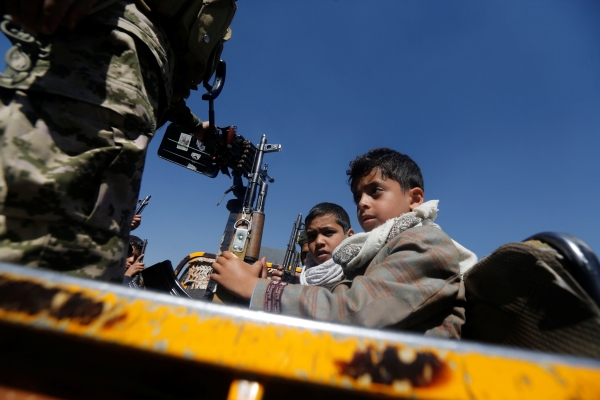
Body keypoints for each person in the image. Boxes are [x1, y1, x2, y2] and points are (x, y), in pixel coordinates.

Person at [0, 0, 236, 281]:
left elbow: (171, 74)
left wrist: (195, 126)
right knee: (40, 260)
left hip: (132, 85)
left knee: (84, 271)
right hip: (101, 63)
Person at [211, 148, 477, 338]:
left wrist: (257, 289)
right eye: (358, 196)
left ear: (415, 199)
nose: (362, 202)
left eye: (375, 191)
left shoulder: (425, 241)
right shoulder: (374, 252)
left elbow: (354, 310)